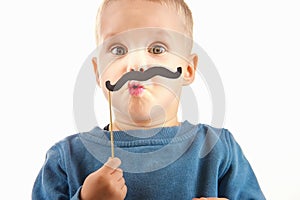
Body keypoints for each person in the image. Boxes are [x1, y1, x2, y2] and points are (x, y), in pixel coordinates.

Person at [32, 0, 265, 199]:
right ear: (98, 73)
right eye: (118, 50)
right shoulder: (66, 159)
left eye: (157, 48)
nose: (136, 64)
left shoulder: (218, 149)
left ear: (188, 69)